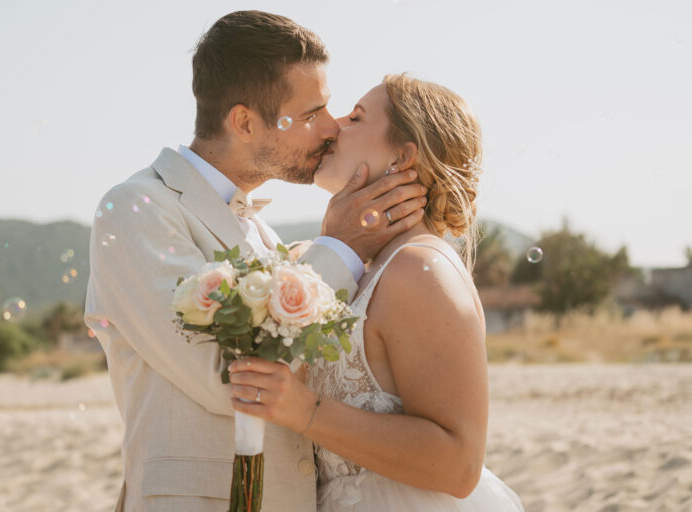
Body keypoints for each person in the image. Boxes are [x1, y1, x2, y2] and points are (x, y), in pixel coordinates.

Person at [84, 11, 426, 512]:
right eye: (312, 113)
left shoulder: (262, 232)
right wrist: (341, 246)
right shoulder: (140, 210)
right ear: (244, 121)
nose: (330, 128)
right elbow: (230, 380)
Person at [228, 74, 525, 511]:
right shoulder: (362, 270)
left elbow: (459, 464)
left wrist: (305, 410)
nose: (332, 126)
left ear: (402, 157)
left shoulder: (419, 270)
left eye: (356, 117)